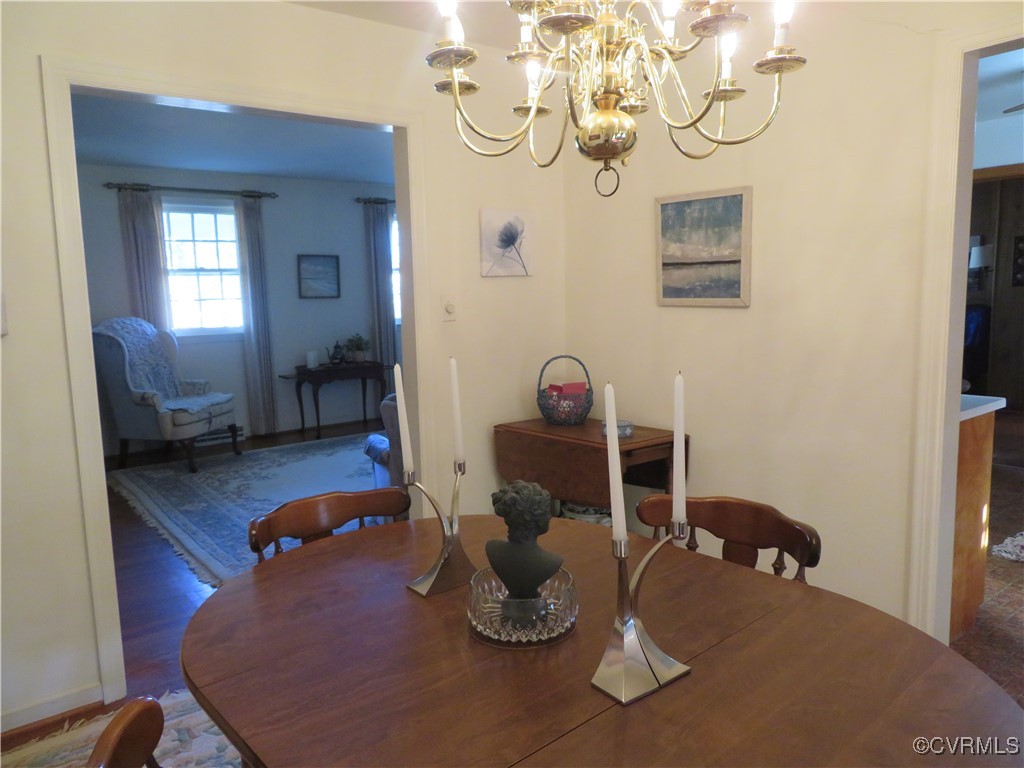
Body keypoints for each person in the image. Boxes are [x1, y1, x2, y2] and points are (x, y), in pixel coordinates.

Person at [486, 480, 563, 599]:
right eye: (546, 512)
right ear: (533, 519)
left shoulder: (492, 548)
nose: (550, 516)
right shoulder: (552, 562)